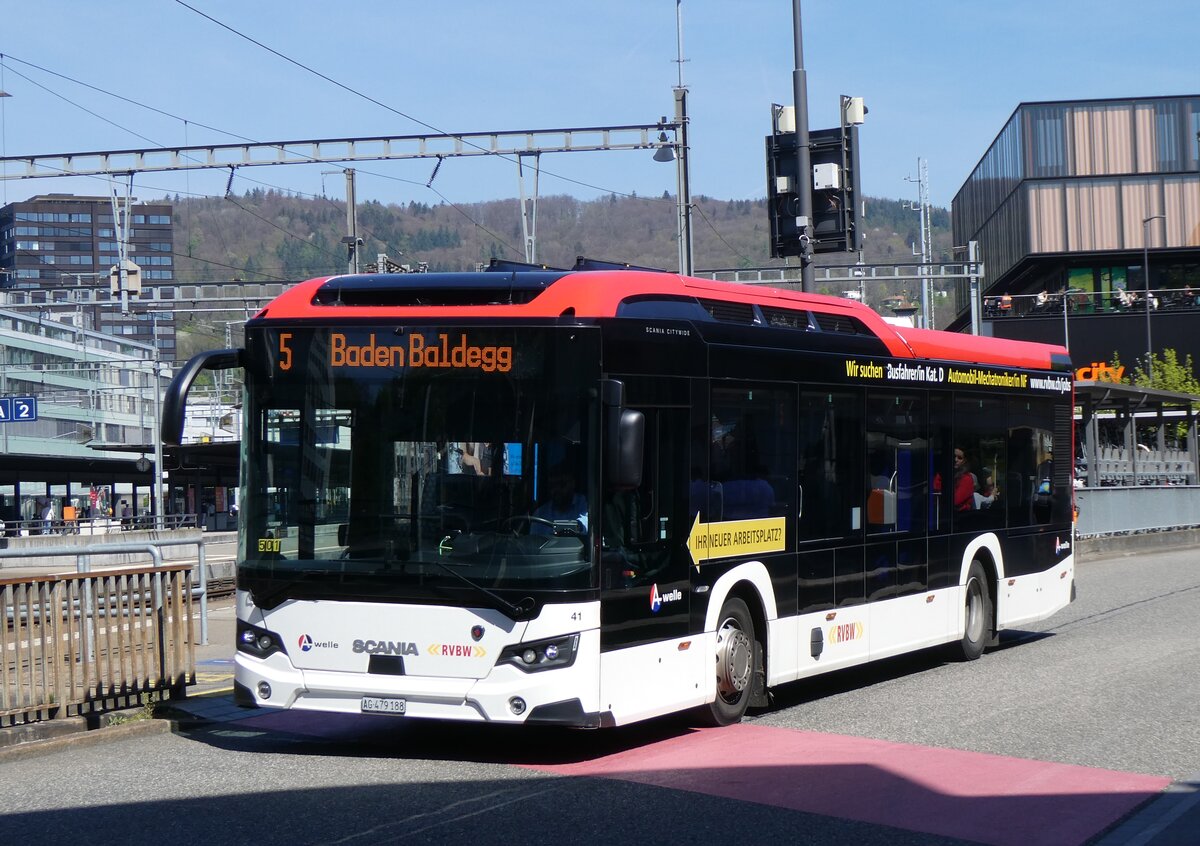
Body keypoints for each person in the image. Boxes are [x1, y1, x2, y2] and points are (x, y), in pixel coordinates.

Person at [533, 466, 588, 534]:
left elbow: (587, 522)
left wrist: (577, 526)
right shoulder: (540, 514)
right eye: (553, 486)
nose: (557, 490)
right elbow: (533, 541)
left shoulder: (584, 503)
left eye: (562, 485)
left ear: (572, 484)